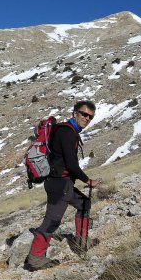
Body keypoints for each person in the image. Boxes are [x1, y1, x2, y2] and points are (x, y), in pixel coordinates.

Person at [24, 101, 99, 271]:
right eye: (84, 114)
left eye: (90, 117)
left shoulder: (65, 129)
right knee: (52, 221)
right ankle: (35, 259)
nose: (87, 118)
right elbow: (72, 165)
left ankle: (82, 242)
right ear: (75, 114)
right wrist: (88, 181)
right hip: (60, 184)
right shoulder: (68, 133)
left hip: (59, 182)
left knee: (84, 204)